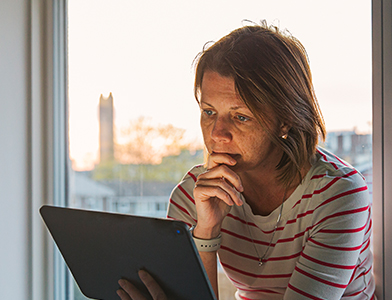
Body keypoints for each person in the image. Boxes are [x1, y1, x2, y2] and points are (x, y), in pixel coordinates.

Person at [118, 21, 375, 300]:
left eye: (241, 117)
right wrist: (206, 233)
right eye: (209, 112)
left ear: (285, 120)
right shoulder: (195, 193)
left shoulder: (339, 194)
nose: (217, 134)